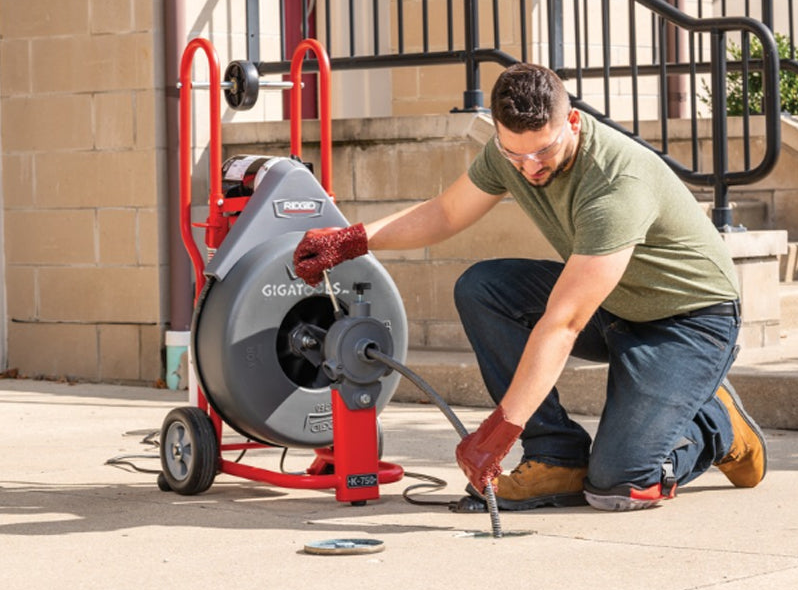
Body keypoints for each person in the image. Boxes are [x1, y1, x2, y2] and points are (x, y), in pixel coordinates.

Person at [293, 62, 766, 512]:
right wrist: (351, 240)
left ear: (573, 122)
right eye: (515, 154)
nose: (530, 167)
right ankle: (555, 457)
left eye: (543, 151)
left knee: (620, 484)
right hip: (617, 305)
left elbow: (565, 322)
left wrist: (500, 431)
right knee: (483, 288)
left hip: (688, 322)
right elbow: (446, 212)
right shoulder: (510, 154)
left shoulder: (616, 185)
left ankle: (718, 423)